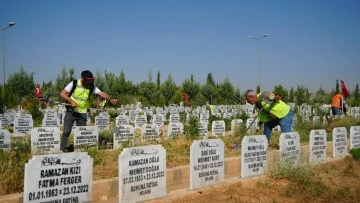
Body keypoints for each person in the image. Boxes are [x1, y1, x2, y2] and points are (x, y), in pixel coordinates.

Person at [59, 70, 117, 152]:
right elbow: (62, 93)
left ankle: (80, 149)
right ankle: (62, 149)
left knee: (82, 132)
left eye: (90, 81)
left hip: (82, 113)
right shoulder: (74, 83)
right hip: (71, 111)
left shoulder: (91, 87)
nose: (89, 83)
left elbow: (102, 94)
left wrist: (110, 99)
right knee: (66, 131)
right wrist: (72, 102)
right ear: (82, 78)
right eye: (87, 81)